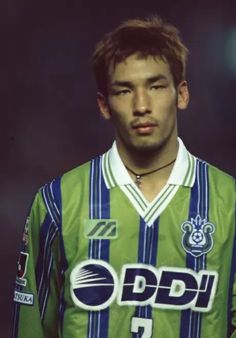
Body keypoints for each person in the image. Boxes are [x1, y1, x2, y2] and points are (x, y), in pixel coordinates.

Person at [12, 15, 236, 338]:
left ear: (182, 94)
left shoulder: (228, 204)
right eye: (124, 90)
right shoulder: (57, 203)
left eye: (156, 86)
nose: (141, 105)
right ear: (104, 104)